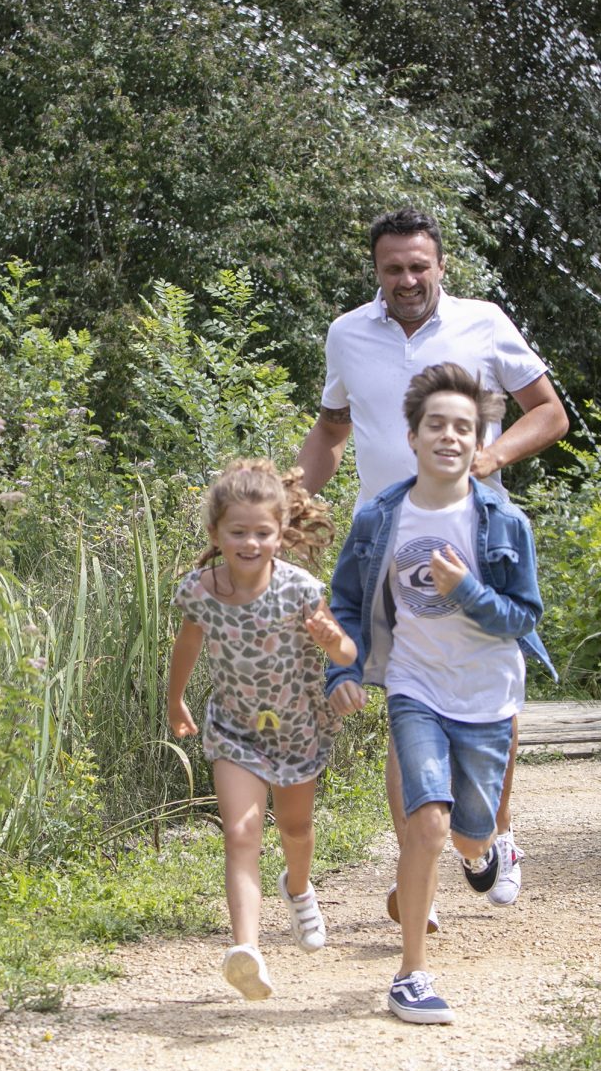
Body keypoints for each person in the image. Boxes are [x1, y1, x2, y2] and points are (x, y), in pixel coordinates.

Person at [297, 208, 568, 918]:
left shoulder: (484, 322)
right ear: (377, 272)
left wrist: (495, 454)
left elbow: (550, 411)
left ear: (441, 265)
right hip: (388, 535)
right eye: (394, 268)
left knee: (490, 687)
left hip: (475, 535)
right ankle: (418, 871)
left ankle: (495, 836)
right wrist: (289, 500)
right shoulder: (348, 333)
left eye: (420, 266)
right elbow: (331, 429)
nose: (408, 279)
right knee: (404, 692)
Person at [327, 364, 551, 1023]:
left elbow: (523, 615)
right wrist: (343, 671)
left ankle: (487, 850)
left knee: (465, 833)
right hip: (415, 686)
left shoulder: (504, 521)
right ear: (413, 435)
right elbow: (345, 599)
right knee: (425, 821)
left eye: (463, 426)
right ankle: (411, 974)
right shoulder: (381, 516)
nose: (449, 436)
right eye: (436, 425)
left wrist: (467, 594)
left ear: (478, 437)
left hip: (486, 695)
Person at [165, 459, 363, 1001]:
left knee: (295, 831)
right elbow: (188, 644)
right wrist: (175, 699)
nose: (249, 543)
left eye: (262, 532)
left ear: (281, 533)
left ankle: (298, 888)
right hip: (236, 730)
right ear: (215, 534)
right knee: (241, 832)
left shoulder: (299, 589)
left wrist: (331, 643)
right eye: (237, 532)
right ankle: (247, 949)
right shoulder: (201, 590)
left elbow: (346, 650)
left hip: (298, 729)